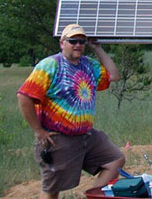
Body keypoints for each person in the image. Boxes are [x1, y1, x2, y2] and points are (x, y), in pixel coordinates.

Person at [17, 24, 125, 199]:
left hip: (86, 136)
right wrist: (38, 131)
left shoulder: (89, 65)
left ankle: (92, 196)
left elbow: (113, 76)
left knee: (115, 162)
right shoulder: (50, 66)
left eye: (81, 41)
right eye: (73, 41)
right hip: (58, 138)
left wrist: (97, 48)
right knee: (53, 188)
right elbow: (24, 96)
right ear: (62, 43)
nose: (78, 45)